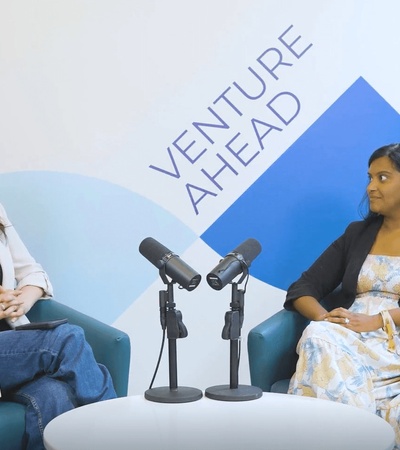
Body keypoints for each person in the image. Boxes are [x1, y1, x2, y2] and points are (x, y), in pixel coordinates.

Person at [284, 143, 400, 448]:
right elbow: (303, 287)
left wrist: (378, 319)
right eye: (370, 178)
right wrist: (325, 317)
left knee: (318, 339)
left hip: (392, 338)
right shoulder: (358, 234)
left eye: (383, 178)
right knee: (318, 334)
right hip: (348, 337)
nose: (371, 187)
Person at [0, 203, 117, 450]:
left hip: (13, 354)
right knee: (67, 338)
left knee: (55, 395)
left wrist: (19, 301)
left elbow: (32, 272)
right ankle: (118, 434)